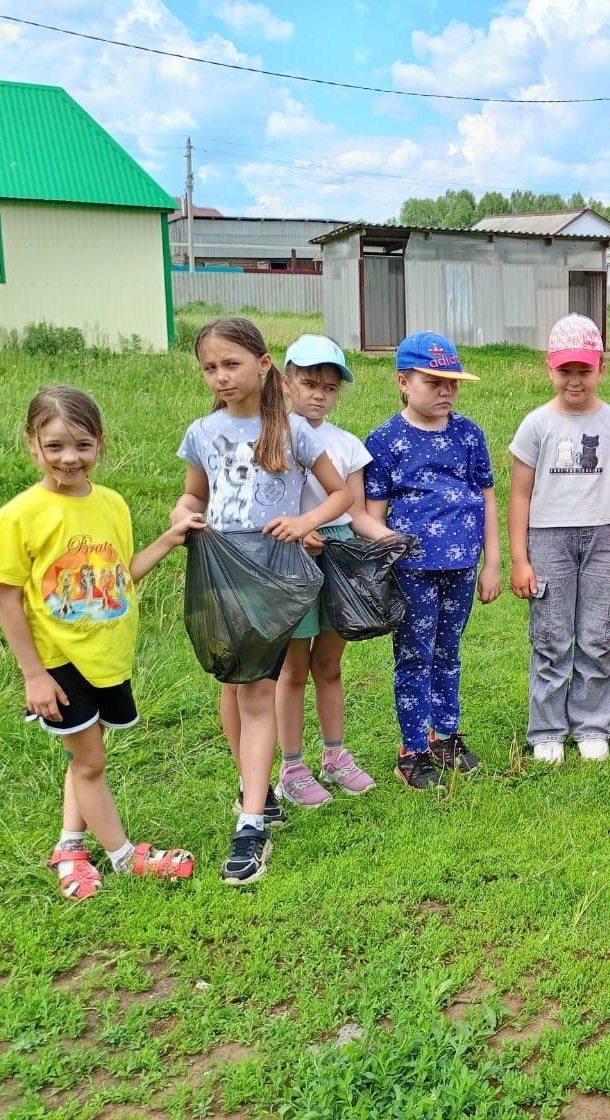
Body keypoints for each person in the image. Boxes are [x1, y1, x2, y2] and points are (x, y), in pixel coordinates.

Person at [0, 387, 198, 900]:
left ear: (100, 442)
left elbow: (121, 578)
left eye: (81, 445)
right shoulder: (19, 517)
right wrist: (35, 674)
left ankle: (70, 846)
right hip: (59, 661)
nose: (69, 458)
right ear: (32, 445)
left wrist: (167, 540)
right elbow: (8, 602)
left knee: (86, 758)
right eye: (54, 446)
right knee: (92, 761)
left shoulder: (112, 505)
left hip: (107, 658)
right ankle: (123, 856)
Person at [173, 317, 354, 885]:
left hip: (274, 571)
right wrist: (182, 513)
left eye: (231, 364)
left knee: (259, 687)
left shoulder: (294, 431)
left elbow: (342, 491)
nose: (221, 377)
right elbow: (193, 491)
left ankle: (251, 824)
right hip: (220, 566)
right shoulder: (201, 432)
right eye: (210, 367)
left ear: (263, 362)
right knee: (233, 682)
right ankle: (253, 788)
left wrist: (304, 521)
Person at [365, 331, 503, 792]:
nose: (446, 391)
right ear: (404, 381)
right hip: (412, 570)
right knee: (414, 656)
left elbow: (486, 497)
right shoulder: (385, 440)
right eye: (433, 382)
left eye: (453, 383)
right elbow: (373, 512)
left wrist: (492, 562)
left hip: (462, 565)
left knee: (448, 652)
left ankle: (444, 737)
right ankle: (413, 750)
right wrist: (391, 554)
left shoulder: (468, 434)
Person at [509, 314, 610, 764]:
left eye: (584, 370)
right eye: (565, 370)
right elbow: (520, 495)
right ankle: (547, 727)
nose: (574, 380)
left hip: (607, 539)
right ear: (550, 368)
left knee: (597, 636)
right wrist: (519, 559)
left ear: (600, 369)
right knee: (551, 637)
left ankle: (591, 724)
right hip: (549, 540)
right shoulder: (536, 425)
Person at [273, 335, 397, 808]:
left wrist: (386, 539)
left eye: (329, 386)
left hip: (340, 555)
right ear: (286, 381)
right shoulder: (272, 436)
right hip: (291, 556)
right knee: (293, 667)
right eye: (308, 382)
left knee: (329, 662)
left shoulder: (347, 444)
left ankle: (335, 756)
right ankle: (292, 766)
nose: (318, 394)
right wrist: (302, 528)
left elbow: (359, 511)